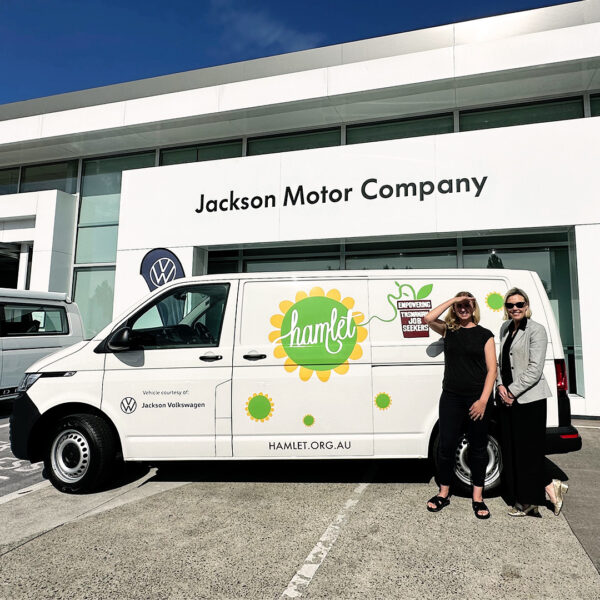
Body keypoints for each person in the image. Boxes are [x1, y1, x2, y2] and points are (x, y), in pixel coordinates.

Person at [424, 292, 497, 519]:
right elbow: (427, 319)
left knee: (477, 448)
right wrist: (452, 301)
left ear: (473, 308)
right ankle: (443, 493)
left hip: (477, 399)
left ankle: (478, 498)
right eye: (460, 306)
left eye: (467, 305)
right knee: (446, 447)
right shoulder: (449, 331)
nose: (463, 309)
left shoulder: (486, 335)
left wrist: (483, 401)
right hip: (451, 398)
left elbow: (492, 370)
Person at [496, 287, 568, 517]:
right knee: (514, 450)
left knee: (529, 451)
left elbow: (535, 369)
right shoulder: (505, 328)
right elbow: (501, 363)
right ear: (506, 309)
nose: (515, 308)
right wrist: (500, 386)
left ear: (526, 306)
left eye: (519, 304)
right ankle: (549, 488)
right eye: (510, 305)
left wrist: (512, 392)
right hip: (508, 399)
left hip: (530, 400)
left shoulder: (537, 330)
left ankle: (529, 502)